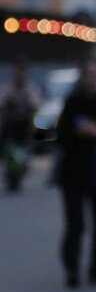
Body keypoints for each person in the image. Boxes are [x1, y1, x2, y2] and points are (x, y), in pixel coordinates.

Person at [55, 57, 96, 288]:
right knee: (75, 222)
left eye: (95, 75)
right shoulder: (72, 102)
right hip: (74, 171)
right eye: (88, 74)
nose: (91, 79)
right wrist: (78, 132)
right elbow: (59, 135)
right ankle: (72, 267)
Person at [1, 58, 40, 192]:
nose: (21, 74)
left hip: (24, 128)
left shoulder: (30, 88)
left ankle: (23, 166)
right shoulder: (9, 87)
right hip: (10, 127)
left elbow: (35, 104)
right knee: (8, 148)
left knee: (26, 150)